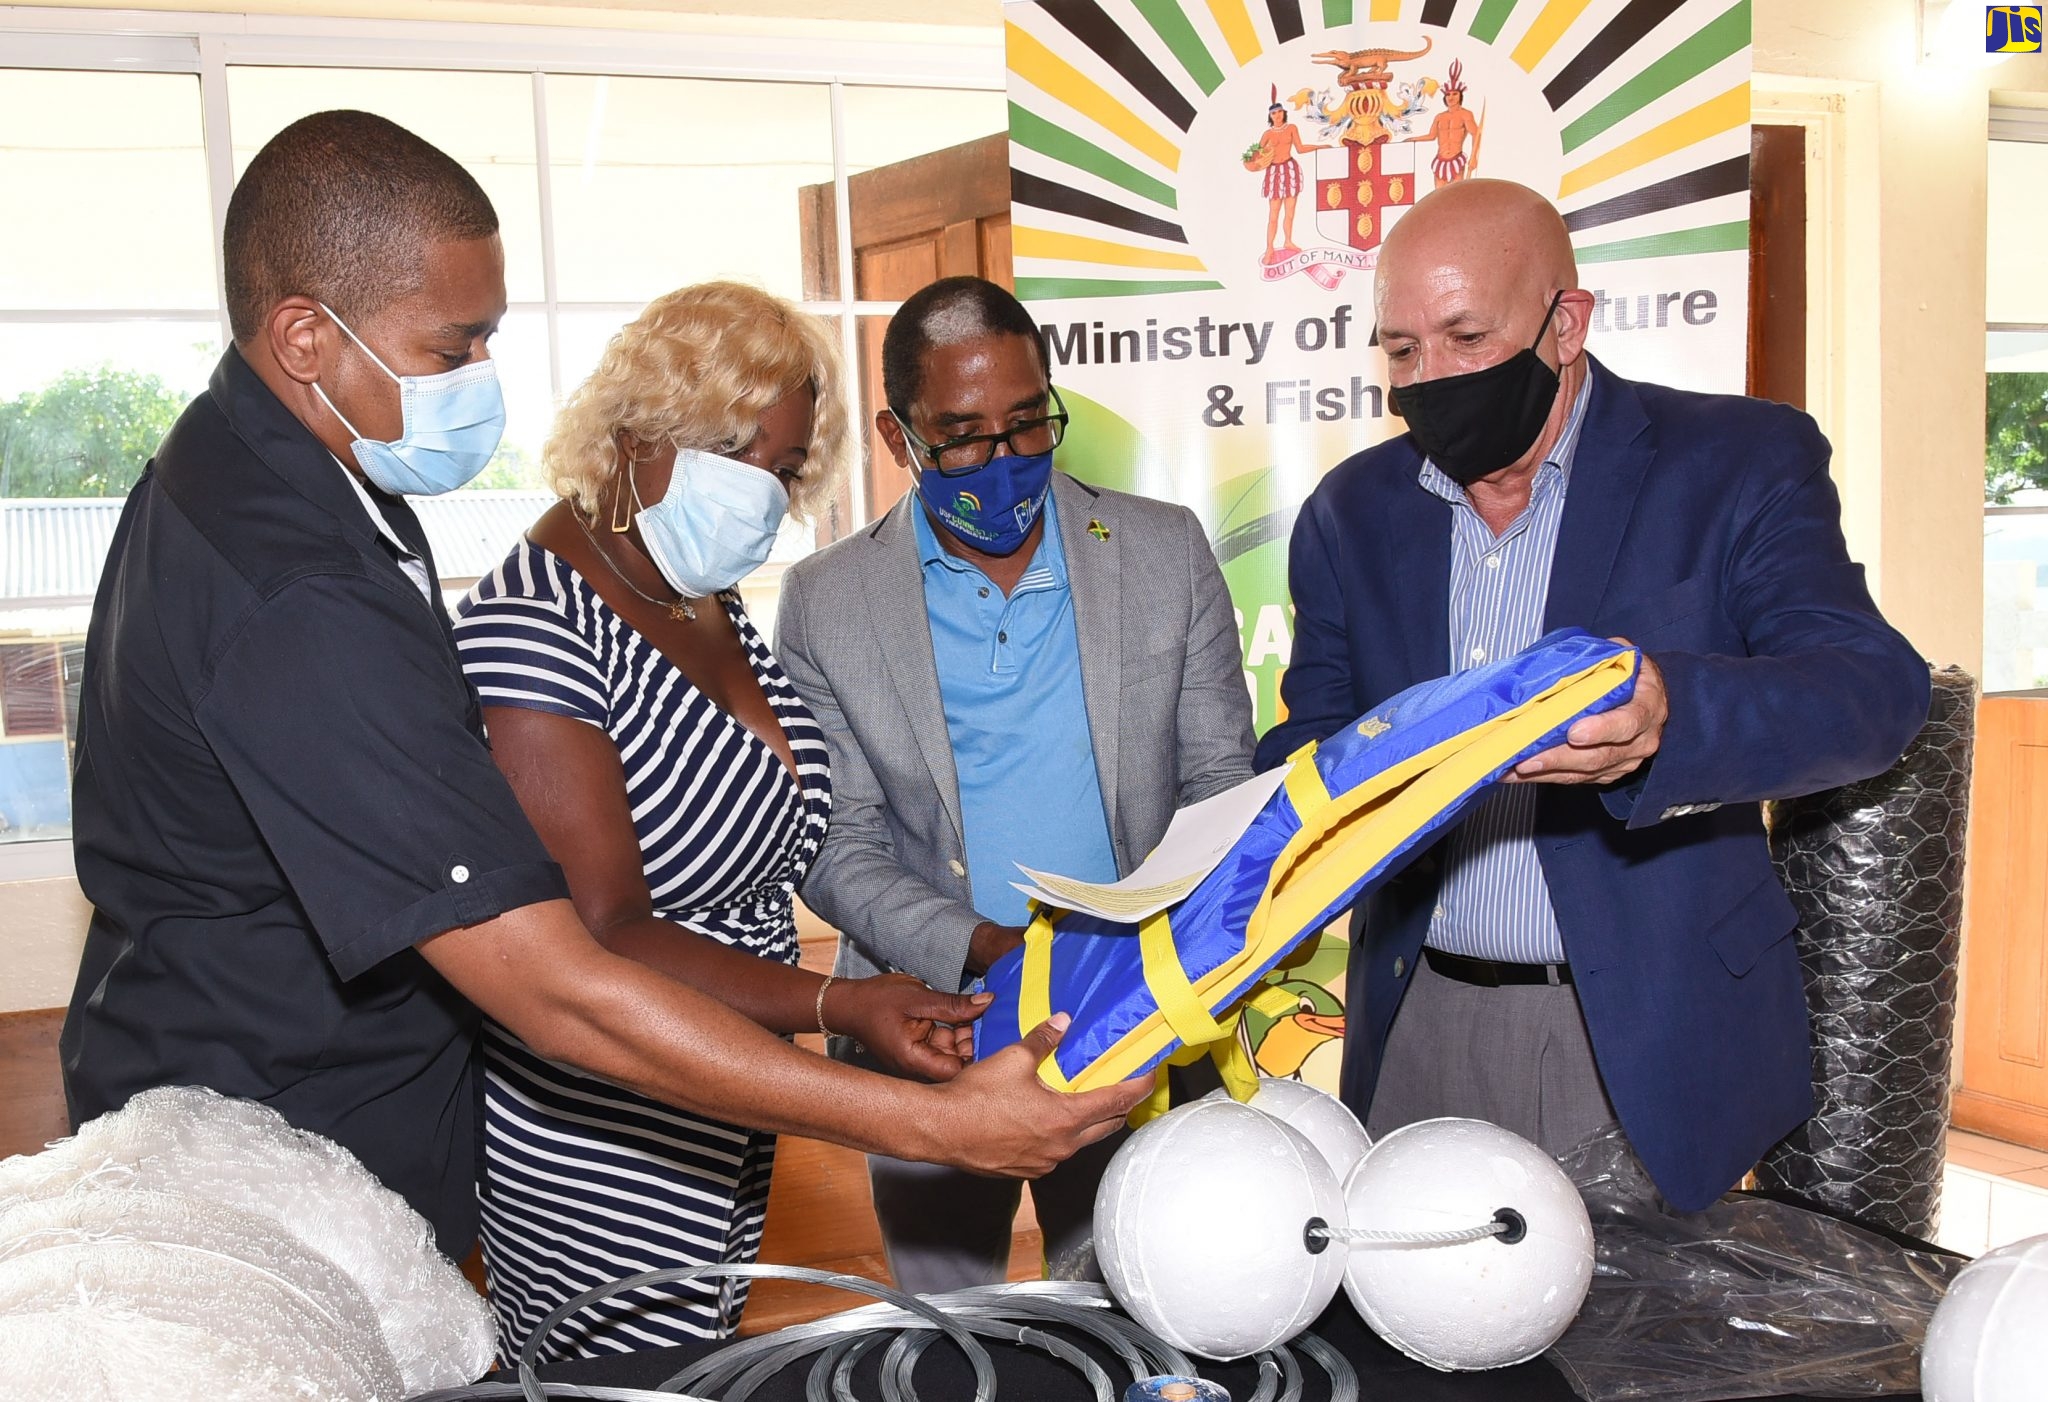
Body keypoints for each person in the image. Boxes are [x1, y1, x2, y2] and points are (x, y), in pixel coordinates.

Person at [58, 111, 1149, 1279]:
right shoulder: (301, 589)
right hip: (287, 1157)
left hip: (349, 1131)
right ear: (305, 338)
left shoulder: (266, 472)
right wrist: (927, 1119)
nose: (481, 382)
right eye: (449, 349)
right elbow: (561, 982)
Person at [1257, 179, 1930, 1213]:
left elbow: (1869, 693)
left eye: (1463, 336)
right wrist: (1244, 834)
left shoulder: (1736, 464)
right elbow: (1312, 735)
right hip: (1417, 1017)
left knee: (1631, 1353)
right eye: (1398, 351)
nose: (1426, 377)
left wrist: (1672, 711)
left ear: (1564, 324)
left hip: (1646, 1030)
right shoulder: (1350, 513)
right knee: (1415, 1341)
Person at [450, 283, 955, 1357]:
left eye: (778, 471)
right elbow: (602, 931)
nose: (760, 498)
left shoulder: (693, 591)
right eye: (737, 458)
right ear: (638, 438)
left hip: (727, 1090)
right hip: (608, 1124)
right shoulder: (533, 629)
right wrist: (834, 1001)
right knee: (623, 1374)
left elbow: (781, 831)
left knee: (708, 1363)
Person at [777, 276, 1256, 1292]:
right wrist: (980, 951)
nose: (1001, 463)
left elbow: (1219, 779)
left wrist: (1157, 952)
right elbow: (832, 837)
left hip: (1132, 1014)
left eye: (1027, 424)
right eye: (959, 437)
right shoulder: (827, 602)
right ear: (895, 433)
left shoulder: (1160, 551)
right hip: (933, 1033)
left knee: (1150, 1307)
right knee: (953, 1332)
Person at [1251, 97, 1329, 263]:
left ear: (1283, 113)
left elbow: (1300, 149)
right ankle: (1269, 248)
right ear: (1270, 116)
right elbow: (1256, 155)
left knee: (1290, 212)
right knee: (1273, 215)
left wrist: (1320, 147)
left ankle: (1288, 241)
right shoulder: (1267, 134)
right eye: (1273, 113)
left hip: (1289, 170)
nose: (1277, 115)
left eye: (1279, 112)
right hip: (1274, 172)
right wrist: (1256, 159)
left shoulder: (1292, 128)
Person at [1404, 61, 1480, 184]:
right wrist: (1413, 139)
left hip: (1456, 159)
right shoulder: (1440, 117)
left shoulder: (1466, 114)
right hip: (1440, 160)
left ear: (1460, 96)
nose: (1451, 97)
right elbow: (1432, 136)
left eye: (1455, 94)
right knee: (1439, 196)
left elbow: (1476, 134)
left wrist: (1473, 157)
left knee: (1456, 194)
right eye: (1448, 94)